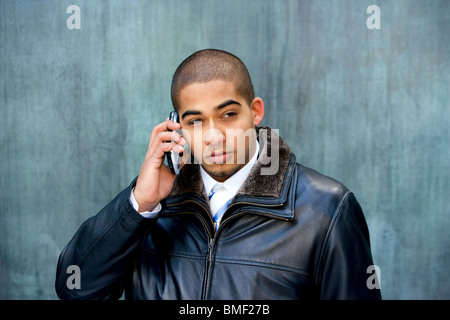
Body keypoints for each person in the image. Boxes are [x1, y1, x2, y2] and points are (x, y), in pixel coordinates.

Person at [55, 49, 381, 300]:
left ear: (255, 111)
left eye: (227, 115)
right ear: (176, 126)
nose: (213, 136)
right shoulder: (149, 207)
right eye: (195, 121)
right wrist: (139, 205)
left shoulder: (326, 209)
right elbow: (76, 290)